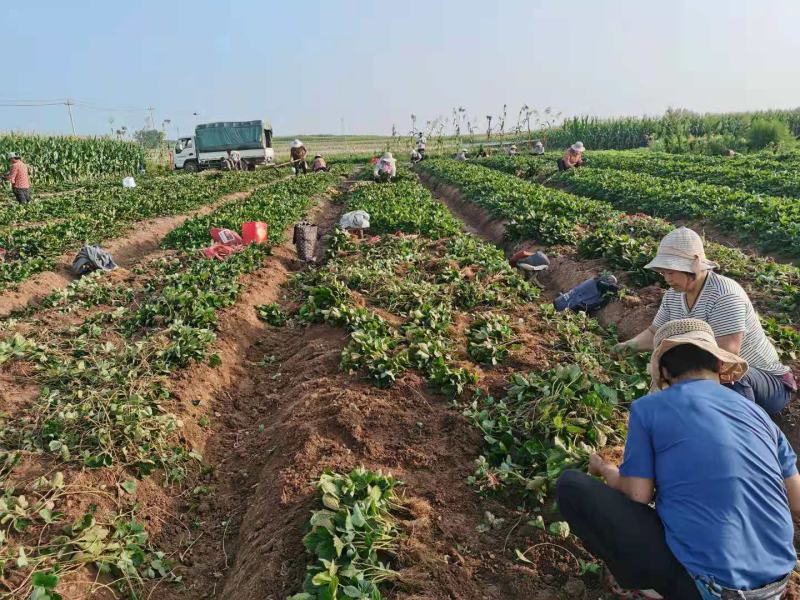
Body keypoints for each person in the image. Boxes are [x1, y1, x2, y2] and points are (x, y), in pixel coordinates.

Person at [558, 318, 800, 600]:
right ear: (720, 366)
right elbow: (796, 502)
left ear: (663, 372)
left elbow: (638, 494)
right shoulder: (760, 416)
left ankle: (648, 588)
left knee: (572, 486)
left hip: (709, 591)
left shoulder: (649, 408)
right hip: (776, 586)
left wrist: (606, 469)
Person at [614, 226, 795, 415]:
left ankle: (741, 429)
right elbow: (655, 332)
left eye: (671, 271)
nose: (667, 278)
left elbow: (727, 354)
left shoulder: (724, 295)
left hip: (766, 382)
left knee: (726, 375)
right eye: (663, 272)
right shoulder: (673, 296)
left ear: (693, 266)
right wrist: (628, 346)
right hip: (713, 370)